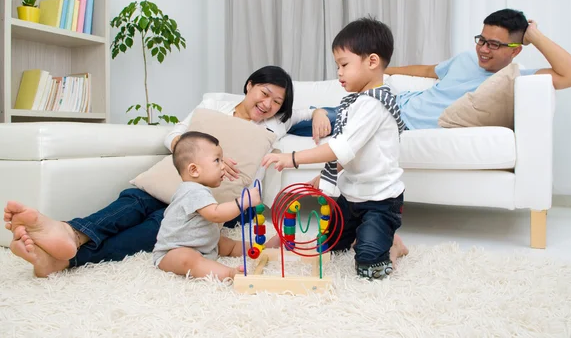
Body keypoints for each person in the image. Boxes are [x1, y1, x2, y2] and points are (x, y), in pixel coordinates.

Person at [4, 66, 332, 278]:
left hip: (217, 200)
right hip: (183, 174)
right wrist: (196, 154)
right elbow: (172, 133)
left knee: (160, 226)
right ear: (250, 85)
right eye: (265, 93)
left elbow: (314, 111)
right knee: (136, 199)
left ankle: (68, 251)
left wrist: (318, 111)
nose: (268, 104)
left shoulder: (277, 122)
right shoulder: (215, 107)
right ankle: (70, 236)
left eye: (277, 101)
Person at [262, 17, 409, 280]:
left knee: (370, 267)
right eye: (337, 66)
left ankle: (392, 244)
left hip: (380, 200)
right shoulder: (358, 101)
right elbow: (350, 153)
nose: (339, 73)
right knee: (329, 245)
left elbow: (338, 148)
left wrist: (292, 158)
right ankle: (371, 234)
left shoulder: (374, 103)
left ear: (372, 62)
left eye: (344, 65)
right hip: (351, 196)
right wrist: (321, 178)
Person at [289, 8, 571, 135]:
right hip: (392, 104)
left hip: (395, 123)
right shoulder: (465, 60)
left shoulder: (516, 79)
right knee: (299, 118)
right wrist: (381, 69)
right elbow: (428, 70)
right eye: (481, 40)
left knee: (313, 124)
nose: (483, 49)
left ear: (515, 49)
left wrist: (535, 36)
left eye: (494, 44)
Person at [153, 131, 279, 280]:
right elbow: (216, 214)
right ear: (194, 170)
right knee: (187, 259)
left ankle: (259, 249)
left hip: (203, 244)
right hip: (172, 252)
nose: (223, 167)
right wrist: (243, 202)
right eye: (217, 160)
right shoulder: (192, 191)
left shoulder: (198, 189)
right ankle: (229, 273)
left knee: (226, 243)